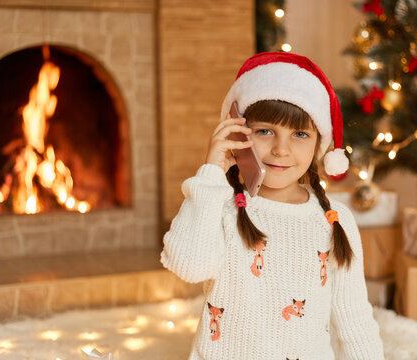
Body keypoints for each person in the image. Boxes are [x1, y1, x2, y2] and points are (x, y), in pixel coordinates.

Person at [161, 52, 385, 359]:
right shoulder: (221, 206)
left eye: (300, 134)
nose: (281, 150)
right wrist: (211, 172)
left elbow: (355, 322)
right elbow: (188, 265)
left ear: (319, 144)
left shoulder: (334, 219)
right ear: (238, 133)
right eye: (265, 131)